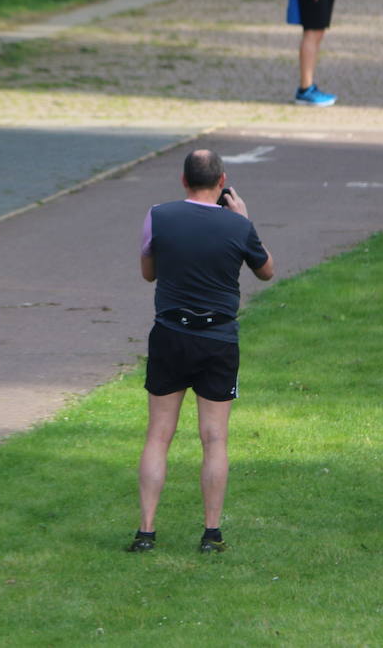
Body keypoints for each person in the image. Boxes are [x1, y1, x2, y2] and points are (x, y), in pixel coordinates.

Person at [128, 149, 275, 554]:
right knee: (214, 438)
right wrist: (243, 221)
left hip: (171, 333)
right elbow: (267, 270)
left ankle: (146, 531)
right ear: (222, 181)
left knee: (159, 435)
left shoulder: (158, 215)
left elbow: (148, 274)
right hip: (218, 339)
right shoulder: (237, 225)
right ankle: (211, 533)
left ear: (183, 180)